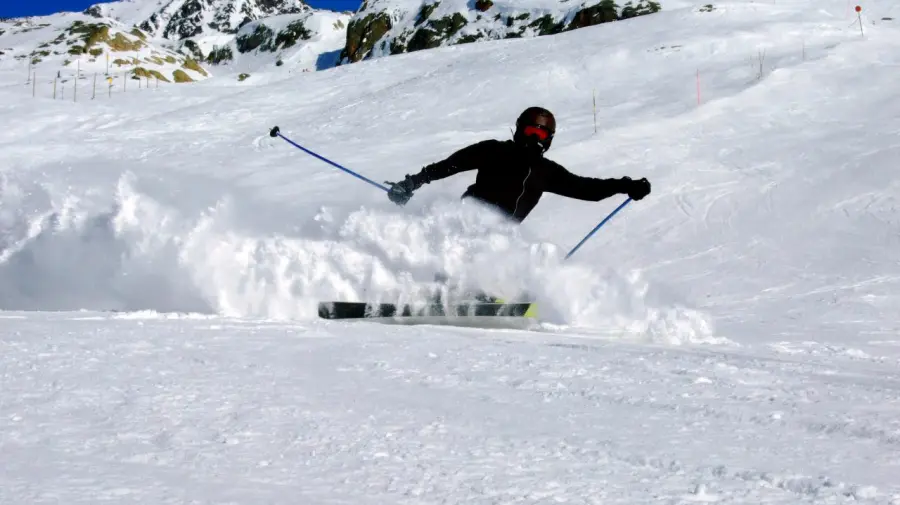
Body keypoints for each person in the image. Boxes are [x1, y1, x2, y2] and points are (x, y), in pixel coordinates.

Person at [384, 106, 651, 222]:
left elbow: (587, 190)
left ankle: (485, 294)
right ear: (519, 130)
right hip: (465, 220)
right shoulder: (493, 150)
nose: (535, 138)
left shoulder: (547, 172)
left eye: (541, 134)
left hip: (499, 238)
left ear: (549, 140)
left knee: (498, 253)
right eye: (530, 132)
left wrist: (626, 186)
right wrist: (411, 183)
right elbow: (448, 166)